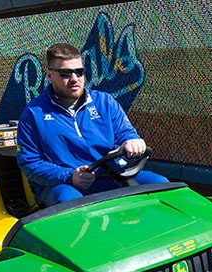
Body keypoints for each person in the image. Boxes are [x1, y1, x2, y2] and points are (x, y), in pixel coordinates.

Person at [16, 43, 168, 207]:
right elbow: (30, 163)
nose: (74, 79)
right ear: (49, 75)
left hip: (111, 176)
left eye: (79, 72)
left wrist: (132, 141)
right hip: (64, 185)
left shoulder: (105, 102)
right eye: (65, 73)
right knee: (71, 202)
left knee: (161, 184)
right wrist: (69, 176)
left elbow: (126, 133)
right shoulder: (33, 113)